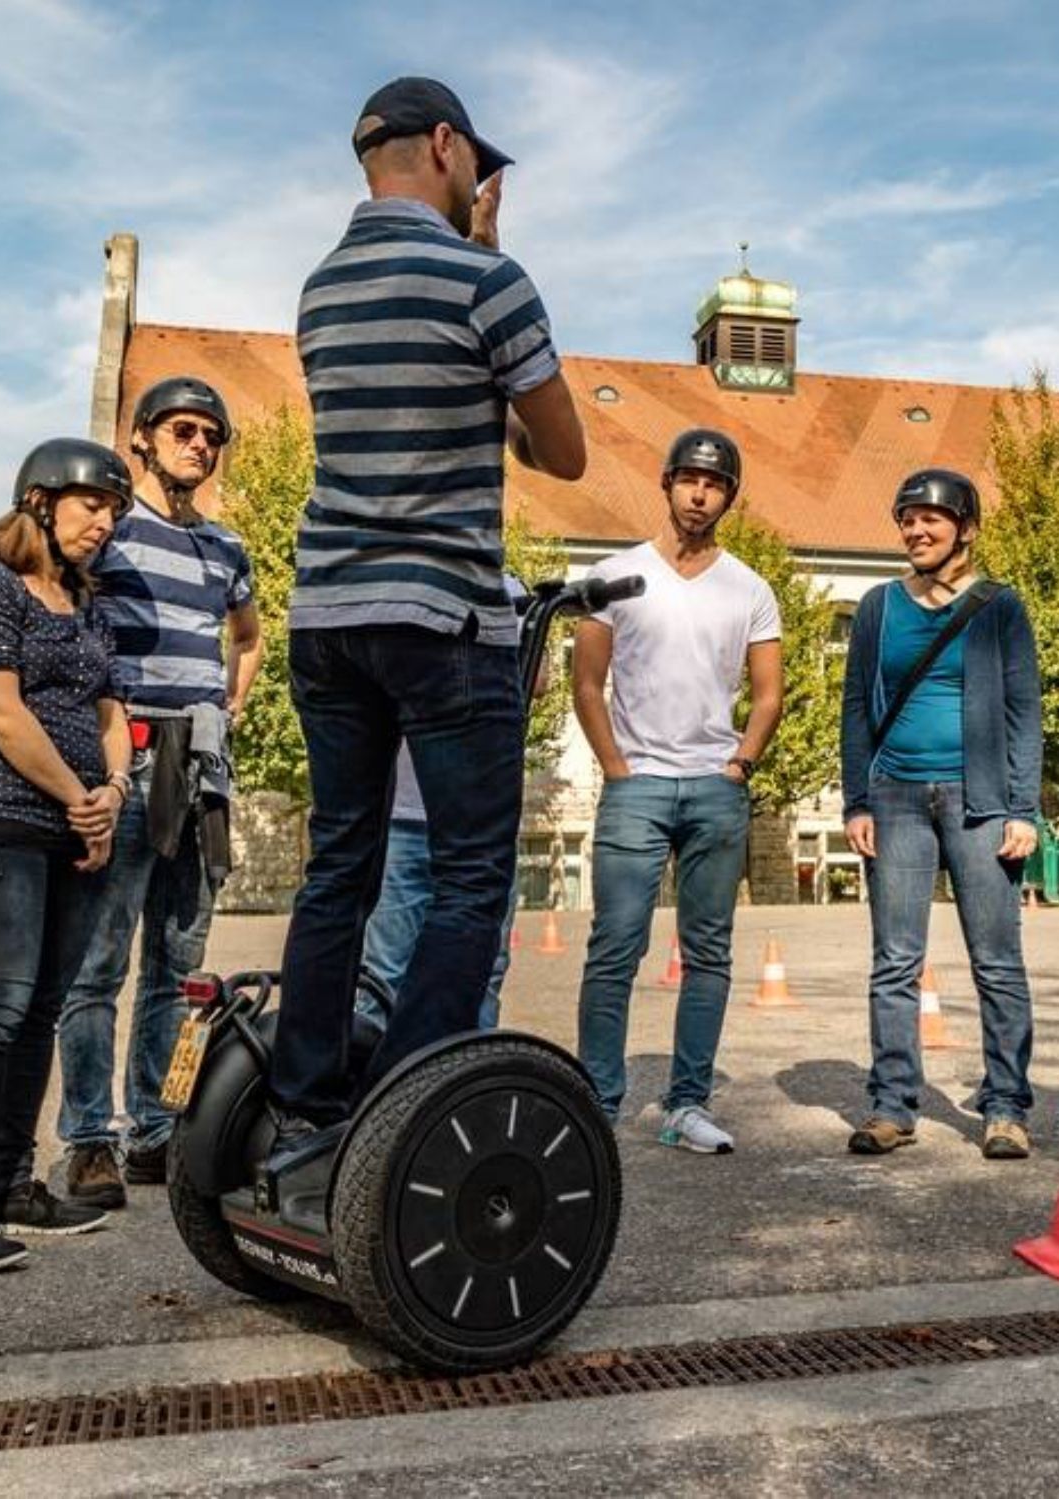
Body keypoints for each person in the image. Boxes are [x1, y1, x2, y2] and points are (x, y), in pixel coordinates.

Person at [269, 76, 586, 1157]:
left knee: (340, 862)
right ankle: (405, 1104)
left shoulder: (317, 291)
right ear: (446, 144)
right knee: (468, 876)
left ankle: (304, 1095)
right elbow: (563, 454)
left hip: (325, 613)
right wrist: (494, 262)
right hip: (439, 616)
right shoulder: (487, 281)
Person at [0, 439, 135, 1273]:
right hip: (0, 822)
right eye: (92, 505)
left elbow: (114, 712)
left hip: (77, 831)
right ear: (39, 501)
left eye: (114, 511)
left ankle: (7, 1185)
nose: (104, 522)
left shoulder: (90, 605)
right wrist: (76, 796)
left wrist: (111, 791)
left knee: (42, 1008)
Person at [55, 376, 262, 1210]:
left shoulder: (227, 549)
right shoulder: (110, 531)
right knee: (97, 963)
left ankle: (154, 1126)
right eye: (182, 428)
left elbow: (246, 635)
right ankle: (88, 1139)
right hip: (126, 761)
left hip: (200, 769)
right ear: (141, 437)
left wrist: (230, 703)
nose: (199, 444)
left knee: (180, 971)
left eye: (212, 435)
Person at [573, 428, 783, 1152]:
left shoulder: (749, 587)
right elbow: (587, 685)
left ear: (728, 495)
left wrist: (741, 764)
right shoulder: (615, 575)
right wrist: (616, 767)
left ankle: (687, 1102)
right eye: (689, 478)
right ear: (666, 483)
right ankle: (598, 1101)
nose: (700, 492)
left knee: (709, 952)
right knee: (614, 946)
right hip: (637, 785)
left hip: (714, 788)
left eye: (715, 482)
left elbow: (767, 693)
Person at [839, 470, 1042, 1160]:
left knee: (997, 960)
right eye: (907, 519)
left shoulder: (1000, 606)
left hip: (979, 800)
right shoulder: (878, 607)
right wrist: (856, 799)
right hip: (895, 797)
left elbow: (1023, 711)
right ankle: (892, 1104)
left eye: (932, 518)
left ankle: (1007, 1106)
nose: (917, 530)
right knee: (895, 960)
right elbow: (856, 709)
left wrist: (1024, 808)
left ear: (966, 527)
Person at [355, 575, 540, 1034]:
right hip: (405, 814)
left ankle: (466, 1091)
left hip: (483, 822)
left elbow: (535, 682)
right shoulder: (401, 582)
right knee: (383, 973)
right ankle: (376, 1092)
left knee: (484, 969)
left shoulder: (511, 591)